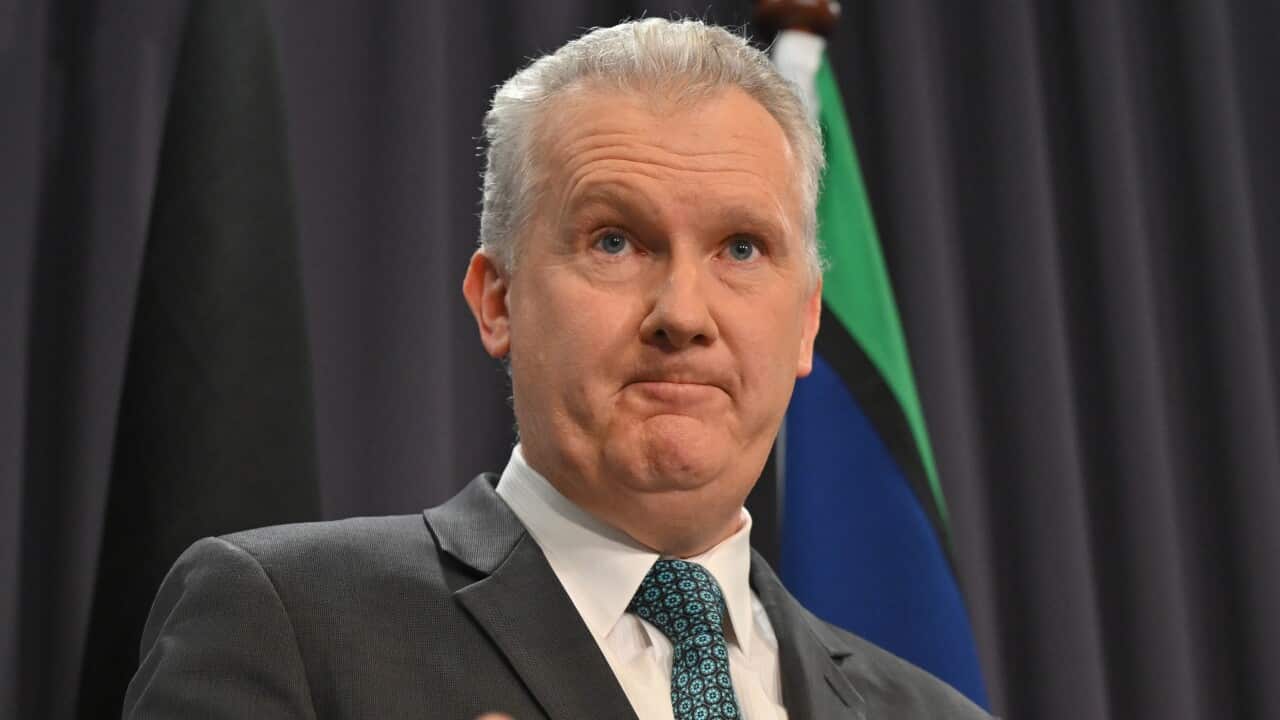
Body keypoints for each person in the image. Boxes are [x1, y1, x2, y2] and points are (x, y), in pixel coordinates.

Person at [124, 18, 990, 720]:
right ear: (497, 299)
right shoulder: (282, 622)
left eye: (741, 247)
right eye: (614, 241)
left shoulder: (931, 713)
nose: (683, 315)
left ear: (805, 323)